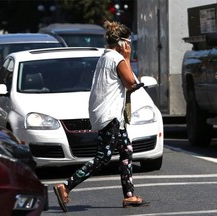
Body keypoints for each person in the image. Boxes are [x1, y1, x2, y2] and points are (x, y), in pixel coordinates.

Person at [53, 20, 148, 213]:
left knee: (126, 151)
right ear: (122, 43)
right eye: (128, 43)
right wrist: (128, 59)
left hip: (111, 115)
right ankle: (66, 186)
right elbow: (130, 82)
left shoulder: (105, 57)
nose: (130, 47)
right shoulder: (116, 58)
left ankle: (129, 196)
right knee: (103, 157)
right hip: (110, 116)